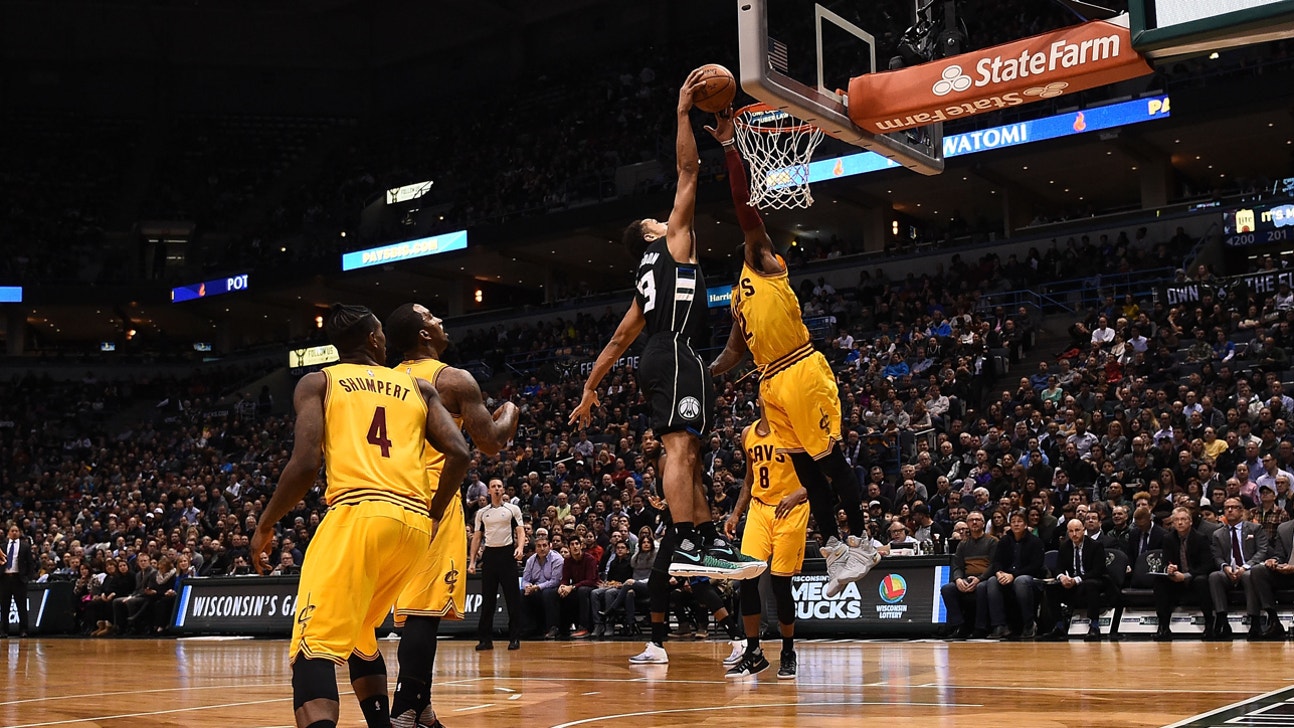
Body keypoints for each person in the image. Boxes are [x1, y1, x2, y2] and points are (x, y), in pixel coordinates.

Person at [568, 69, 760, 582]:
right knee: (681, 447)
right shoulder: (671, 242)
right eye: (659, 218)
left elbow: (616, 341)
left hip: (667, 353)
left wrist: (590, 389)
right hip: (675, 352)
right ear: (652, 232)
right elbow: (688, 171)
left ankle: (704, 541)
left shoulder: (643, 283)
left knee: (691, 450)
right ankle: (690, 543)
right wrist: (682, 113)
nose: (666, 216)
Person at [249, 303, 471, 728]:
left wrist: (265, 523)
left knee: (312, 647)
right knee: (360, 635)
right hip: (412, 527)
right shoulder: (417, 387)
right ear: (372, 339)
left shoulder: (319, 382)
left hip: (358, 515)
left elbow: (304, 464)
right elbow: (459, 452)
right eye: (382, 334)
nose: (387, 340)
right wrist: (435, 512)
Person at [706, 106, 878, 599]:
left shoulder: (764, 260)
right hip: (771, 382)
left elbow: (745, 205)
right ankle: (836, 550)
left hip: (801, 368)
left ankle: (862, 539)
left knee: (829, 460)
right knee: (804, 467)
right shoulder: (739, 296)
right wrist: (702, 372)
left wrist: (729, 147)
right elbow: (734, 352)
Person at [383, 302, 520, 728]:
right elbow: (492, 442)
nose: (441, 321)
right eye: (432, 318)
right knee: (423, 613)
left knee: (413, 612)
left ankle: (422, 710)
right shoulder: (452, 379)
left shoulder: (386, 380)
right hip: (431, 499)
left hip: (385, 496)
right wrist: (512, 410)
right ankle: (405, 710)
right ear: (424, 335)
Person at [725, 408, 809, 679]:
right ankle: (754, 653)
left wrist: (798, 493)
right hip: (759, 510)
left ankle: (787, 650)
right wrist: (736, 513)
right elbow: (749, 479)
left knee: (780, 585)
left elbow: (823, 474)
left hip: (791, 511)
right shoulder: (748, 433)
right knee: (747, 579)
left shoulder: (796, 427)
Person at [468, 479, 525, 651]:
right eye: (494, 486)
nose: (497, 489)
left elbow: (520, 531)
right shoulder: (481, 513)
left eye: (500, 486)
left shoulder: (512, 509)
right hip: (490, 556)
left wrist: (520, 548)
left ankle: (514, 638)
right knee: (488, 600)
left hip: (507, 554)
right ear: (489, 491)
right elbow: (477, 537)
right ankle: (485, 639)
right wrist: (472, 561)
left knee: (512, 599)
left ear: (503, 490)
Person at [1207, 497, 1273, 640]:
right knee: (1214, 576)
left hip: (1249, 568)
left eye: (1234, 507)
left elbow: (1262, 551)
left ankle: (1254, 621)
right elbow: (1217, 557)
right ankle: (1222, 620)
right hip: (1229, 571)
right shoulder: (1218, 533)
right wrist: (1225, 568)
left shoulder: (1255, 528)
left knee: (1249, 575)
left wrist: (1244, 567)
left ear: (1241, 510)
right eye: (1226, 508)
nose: (1230, 510)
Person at [1153, 507, 1217, 640]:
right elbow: (1165, 562)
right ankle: (1163, 626)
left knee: (1202, 580)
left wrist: (1186, 575)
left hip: (1194, 578)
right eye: (1176, 520)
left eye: (1183, 519)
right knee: (1160, 581)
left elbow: (1208, 565)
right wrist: (1170, 569)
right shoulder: (1168, 538)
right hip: (1176, 579)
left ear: (1191, 521)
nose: (1180, 523)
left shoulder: (1201, 538)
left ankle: (1209, 625)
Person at [983, 510, 1046, 639]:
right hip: (1007, 577)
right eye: (1013, 522)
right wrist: (999, 572)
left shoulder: (1035, 542)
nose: (1016, 524)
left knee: (1020, 581)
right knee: (992, 581)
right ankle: (999, 626)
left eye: (1019, 521)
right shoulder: (1004, 541)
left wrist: (1013, 575)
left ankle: (1029, 624)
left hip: (1030, 578)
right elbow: (997, 561)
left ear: (1025, 524)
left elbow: (1035, 566)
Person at [1042, 519, 1108, 641]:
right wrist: (1062, 577)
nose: (1074, 534)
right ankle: (1059, 626)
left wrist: (1076, 580)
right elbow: (1058, 568)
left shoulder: (1095, 546)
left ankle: (1094, 626)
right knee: (1051, 587)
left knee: (1090, 585)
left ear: (1084, 529)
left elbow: (1098, 571)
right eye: (1071, 531)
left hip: (1092, 580)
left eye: (1077, 530)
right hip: (1072, 583)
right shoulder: (1064, 547)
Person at [939, 511, 997, 638]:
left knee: (982, 588)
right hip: (967, 578)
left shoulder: (992, 541)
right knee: (947, 589)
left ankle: (981, 628)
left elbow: (994, 565)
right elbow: (957, 566)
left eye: (977, 520)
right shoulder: (963, 544)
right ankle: (960, 626)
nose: (974, 522)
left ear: (983, 523)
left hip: (985, 578)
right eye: (971, 520)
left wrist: (980, 579)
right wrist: (958, 579)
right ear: (967, 524)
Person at [520, 537, 564, 638]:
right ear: (535, 548)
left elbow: (555, 581)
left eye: (545, 545)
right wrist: (527, 587)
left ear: (550, 547)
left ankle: (553, 628)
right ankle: (528, 628)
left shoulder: (557, 559)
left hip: (553, 589)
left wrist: (537, 587)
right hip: (536, 588)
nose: (542, 548)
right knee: (522, 594)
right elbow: (525, 579)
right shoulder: (531, 560)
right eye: (539, 546)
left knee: (547, 593)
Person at [1, 523, 36, 637]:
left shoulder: (25, 546)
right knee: (4, 606)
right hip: (5, 579)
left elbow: (30, 563)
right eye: (12, 531)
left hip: (19, 579)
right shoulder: (2, 547)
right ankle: (3, 630)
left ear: (20, 533)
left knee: (21, 606)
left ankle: (23, 630)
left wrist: (28, 578)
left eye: (16, 530)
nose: (14, 532)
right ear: (8, 533)